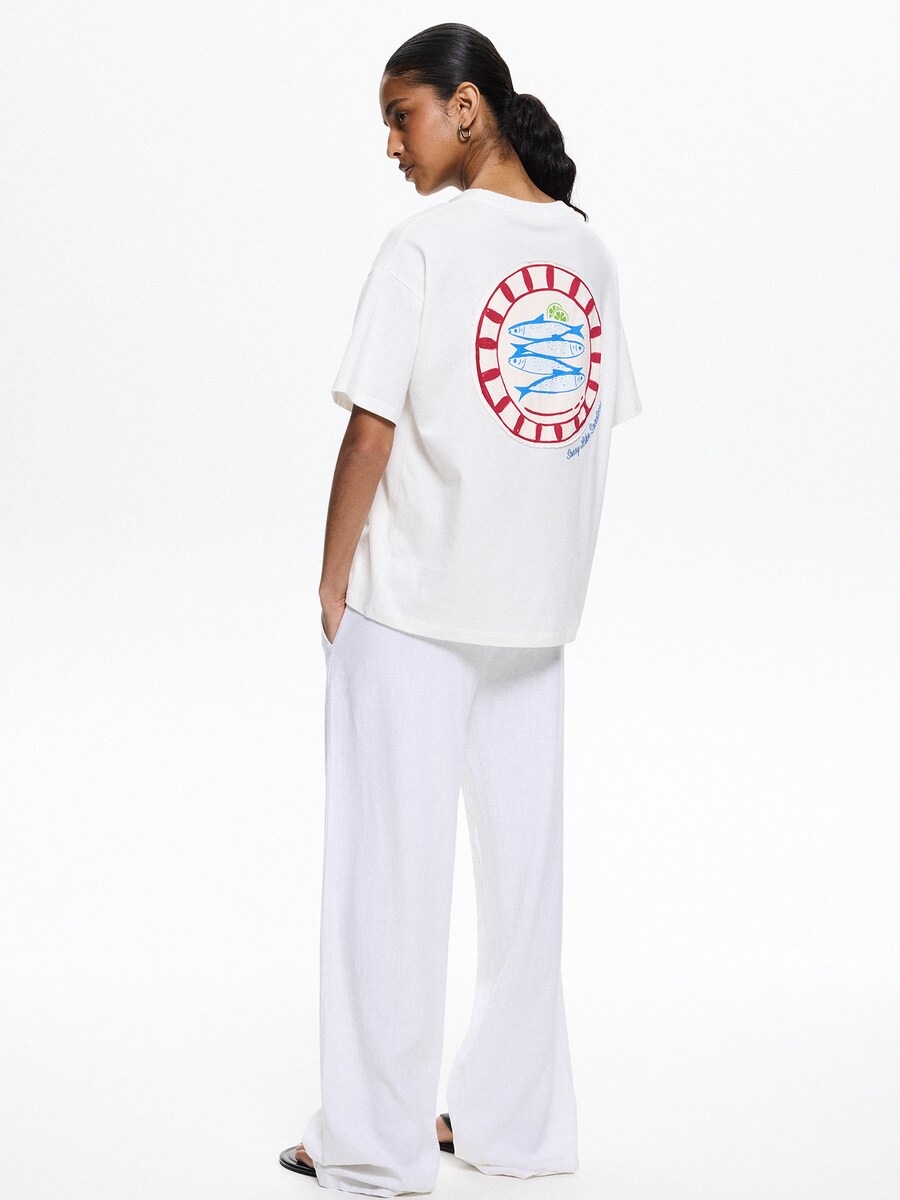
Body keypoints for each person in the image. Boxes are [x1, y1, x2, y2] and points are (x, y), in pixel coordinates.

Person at [280, 21, 643, 1197]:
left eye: (404, 116)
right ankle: (515, 1128)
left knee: (388, 881)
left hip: (415, 609)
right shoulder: (587, 253)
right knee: (524, 888)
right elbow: (579, 433)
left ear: (468, 106)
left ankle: (374, 1145)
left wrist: (331, 580)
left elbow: (370, 430)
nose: (393, 144)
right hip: (532, 620)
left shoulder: (425, 247)